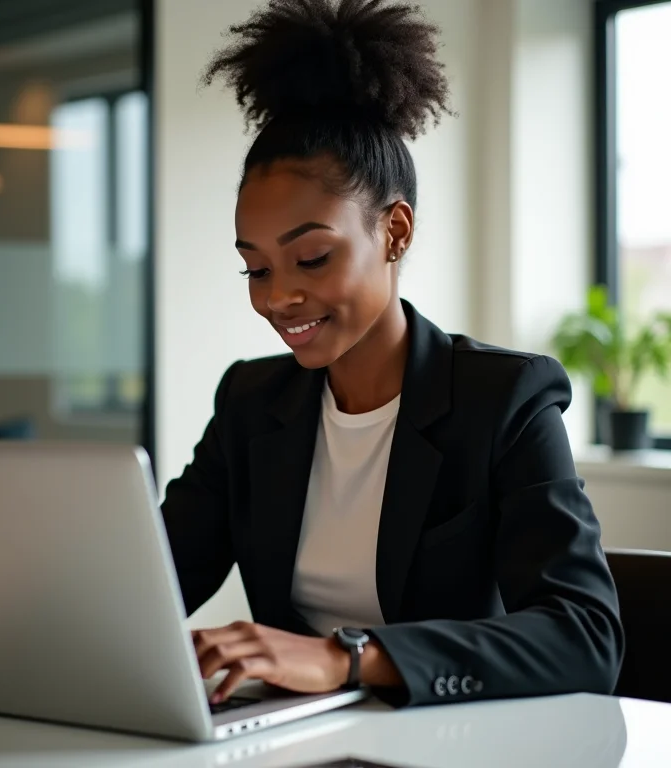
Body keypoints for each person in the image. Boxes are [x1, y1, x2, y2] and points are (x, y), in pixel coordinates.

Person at [161, 0, 623, 708]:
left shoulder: (504, 400)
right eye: (256, 269)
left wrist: (346, 658)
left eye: (310, 258)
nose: (278, 298)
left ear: (396, 232)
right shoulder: (252, 404)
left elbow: (585, 636)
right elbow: (149, 588)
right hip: (292, 741)